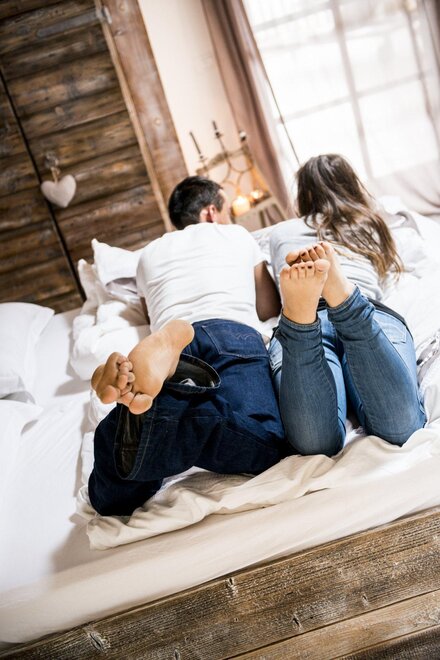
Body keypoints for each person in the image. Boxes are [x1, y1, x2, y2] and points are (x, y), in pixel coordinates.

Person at [88, 176, 291, 517]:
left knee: (109, 500)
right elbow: (268, 307)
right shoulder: (236, 235)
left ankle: (149, 409)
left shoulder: (148, 255)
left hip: (175, 347)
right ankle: (175, 407)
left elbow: (149, 312)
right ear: (211, 212)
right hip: (233, 335)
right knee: (270, 443)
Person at [268, 153, 426, 457]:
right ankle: (346, 301)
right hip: (369, 309)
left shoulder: (282, 233)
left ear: (303, 196)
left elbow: (267, 302)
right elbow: (393, 270)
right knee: (401, 428)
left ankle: (300, 321)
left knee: (315, 443)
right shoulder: (370, 223)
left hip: (309, 309)